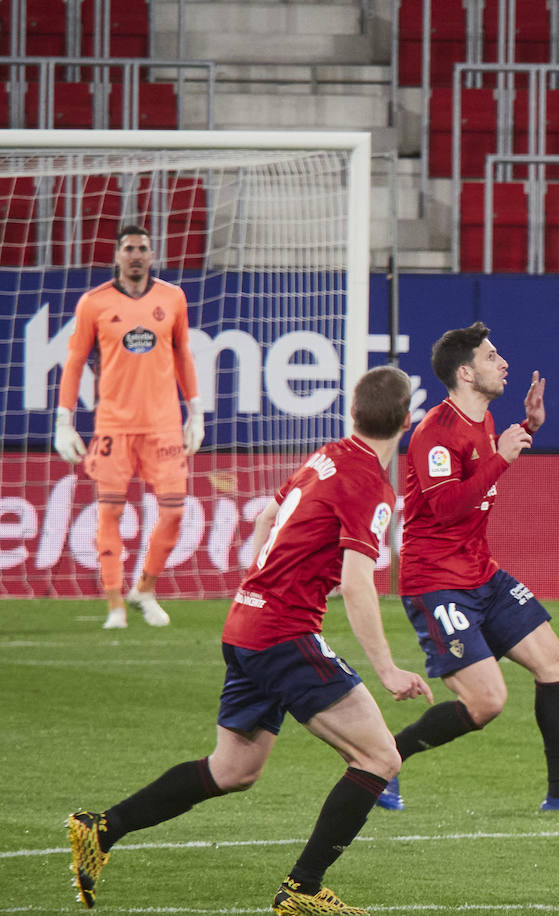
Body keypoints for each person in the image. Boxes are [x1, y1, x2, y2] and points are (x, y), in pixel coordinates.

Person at [66, 366, 434, 915]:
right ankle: (301, 893)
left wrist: (259, 582)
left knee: (233, 770)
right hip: (283, 633)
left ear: (351, 412)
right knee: (379, 756)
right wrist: (388, 670)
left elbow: (266, 517)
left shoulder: (326, 457)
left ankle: (102, 829)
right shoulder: (370, 486)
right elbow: (359, 583)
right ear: (407, 420)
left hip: (246, 625)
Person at [374, 322, 559, 814]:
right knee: (486, 704)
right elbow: (446, 509)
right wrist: (504, 456)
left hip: (481, 574)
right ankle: (382, 762)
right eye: (491, 357)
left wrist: (528, 430)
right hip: (437, 585)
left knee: (556, 665)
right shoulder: (434, 435)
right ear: (465, 373)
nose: (502, 363)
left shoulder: (483, 419)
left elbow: (483, 472)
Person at [54, 224, 205, 630]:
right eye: (129, 248)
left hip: (163, 427)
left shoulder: (172, 297)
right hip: (114, 428)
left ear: (152, 255)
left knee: (173, 512)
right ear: (117, 255)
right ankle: (115, 607)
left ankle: (145, 588)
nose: (136, 255)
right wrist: (64, 420)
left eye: (142, 248)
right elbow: (73, 361)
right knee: (110, 514)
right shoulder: (94, 303)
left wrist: (196, 412)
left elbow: (183, 355)